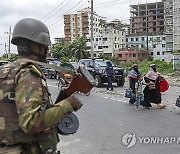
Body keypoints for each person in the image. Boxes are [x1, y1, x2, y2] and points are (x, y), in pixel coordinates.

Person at [0, 18, 83, 154]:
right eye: (45, 47)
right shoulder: (28, 74)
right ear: (39, 47)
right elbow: (31, 123)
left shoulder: (5, 71)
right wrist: (67, 105)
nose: (46, 50)